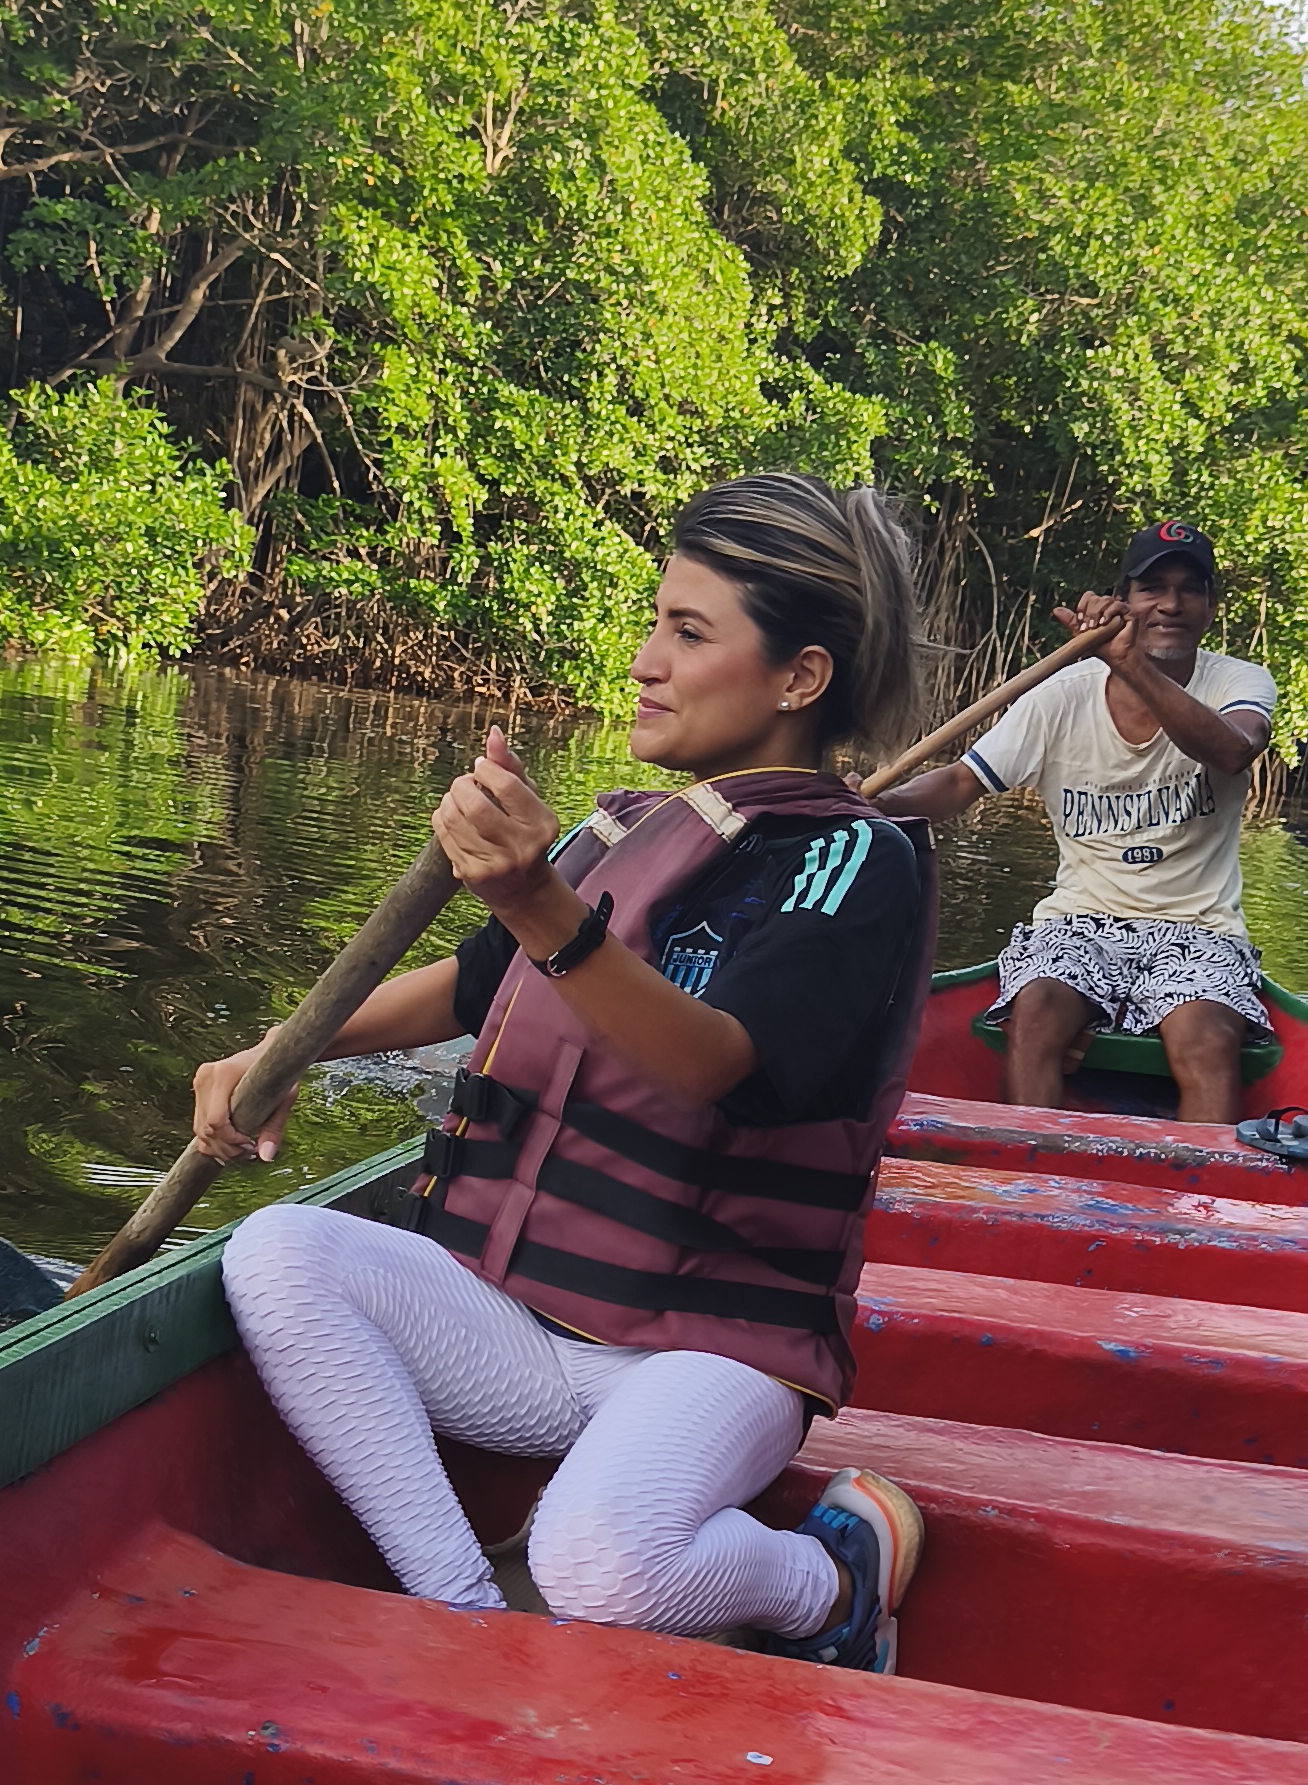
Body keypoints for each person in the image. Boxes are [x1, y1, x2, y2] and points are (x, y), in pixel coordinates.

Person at [191, 472, 938, 1672]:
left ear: (800, 678)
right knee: (278, 1252)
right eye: (655, 620)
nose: (644, 659)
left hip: (714, 1352)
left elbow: (733, 1071)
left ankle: (827, 1578)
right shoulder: (614, 836)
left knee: (598, 1567)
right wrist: (280, 1054)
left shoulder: (851, 863)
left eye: (688, 634)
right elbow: (476, 989)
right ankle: (462, 1615)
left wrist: (538, 901)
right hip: (523, 1324)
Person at [881, 522, 1276, 1119]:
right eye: (1153, 589)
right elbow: (962, 781)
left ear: (1210, 607)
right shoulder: (1062, 692)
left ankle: (1201, 1205)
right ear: (1125, 600)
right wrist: (877, 803)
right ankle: (1033, 1182)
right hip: (1080, 922)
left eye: (1190, 589)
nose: (1170, 604)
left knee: (1206, 1042)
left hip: (1200, 929)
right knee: (1036, 1016)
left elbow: (1233, 750)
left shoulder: (1238, 682)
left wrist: (1131, 665)